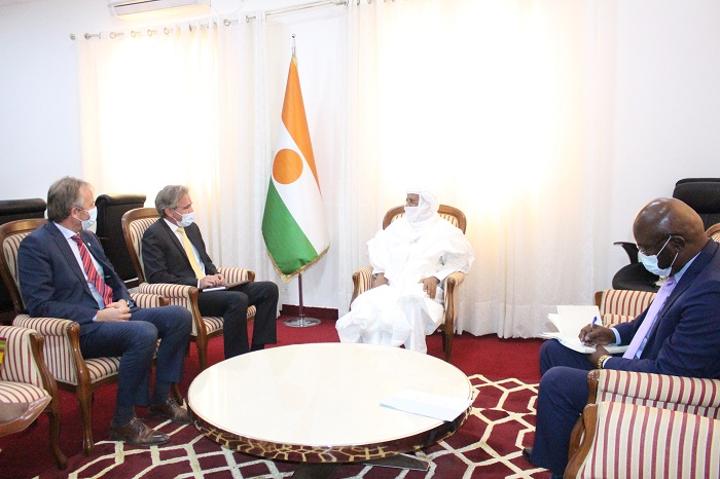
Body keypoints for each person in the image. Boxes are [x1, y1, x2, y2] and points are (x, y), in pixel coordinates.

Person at [525, 197, 720, 477]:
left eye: (647, 249)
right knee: (553, 350)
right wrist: (612, 333)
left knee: (557, 383)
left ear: (676, 244)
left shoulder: (711, 293)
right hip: (645, 364)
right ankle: (562, 447)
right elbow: (652, 318)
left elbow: (671, 372)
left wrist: (604, 361)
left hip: (662, 390)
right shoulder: (692, 264)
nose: (642, 256)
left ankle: (562, 471)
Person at [18, 177, 193, 446]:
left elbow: (112, 278)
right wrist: (97, 316)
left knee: (179, 316)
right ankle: (123, 421)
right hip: (82, 328)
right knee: (144, 332)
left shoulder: (88, 237)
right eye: (90, 205)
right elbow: (39, 304)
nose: (94, 211)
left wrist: (124, 302)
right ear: (75, 212)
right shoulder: (36, 245)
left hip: (113, 313)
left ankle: (161, 398)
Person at [141, 185, 278, 358]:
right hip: (189, 295)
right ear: (169, 211)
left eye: (191, 205)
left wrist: (214, 274)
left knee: (268, 289)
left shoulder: (191, 228)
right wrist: (198, 282)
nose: (191, 210)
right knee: (238, 299)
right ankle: (237, 358)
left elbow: (205, 260)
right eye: (186, 207)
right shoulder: (154, 235)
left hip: (211, 288)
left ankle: (257, 351)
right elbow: (157, 277)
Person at [336, 190, 474, 353]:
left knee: (411, 302)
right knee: (367, 305)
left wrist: (436, 277)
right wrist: (380, 272)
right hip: (393, 286)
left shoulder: (445, 230)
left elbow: (461, 259)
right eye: (407, 200)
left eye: (412, 202)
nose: (407, 206)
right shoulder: (397, 226)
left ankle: (415, 356)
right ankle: (375, 355)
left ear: (425, 204)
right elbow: (379, 249)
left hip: (423, 290)